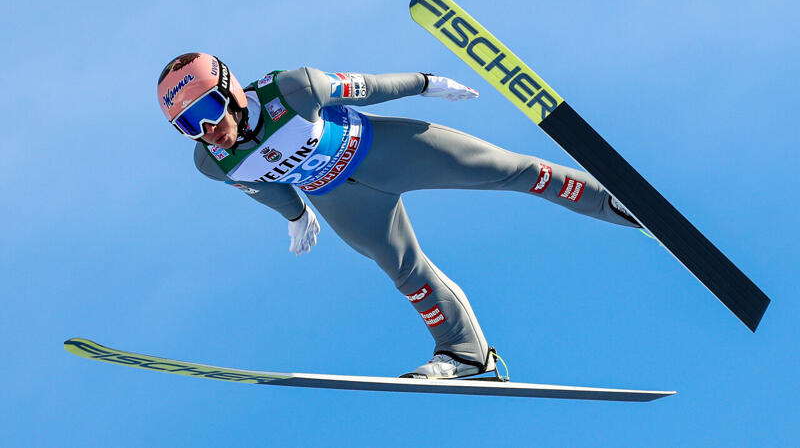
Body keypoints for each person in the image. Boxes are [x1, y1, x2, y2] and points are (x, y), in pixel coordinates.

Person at [157, 52, 639, 379]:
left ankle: (616, 203)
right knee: (406, 273)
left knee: (507, 171)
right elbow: (262, 186)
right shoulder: (212, 162)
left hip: (385, 150)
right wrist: (294, 214)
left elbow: (367, 89)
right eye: (186, 126)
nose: (206, 130)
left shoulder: (292, 89)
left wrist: (426, 84)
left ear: (232, 91)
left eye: (208, 110)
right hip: (342, 201)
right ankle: (465, 355)